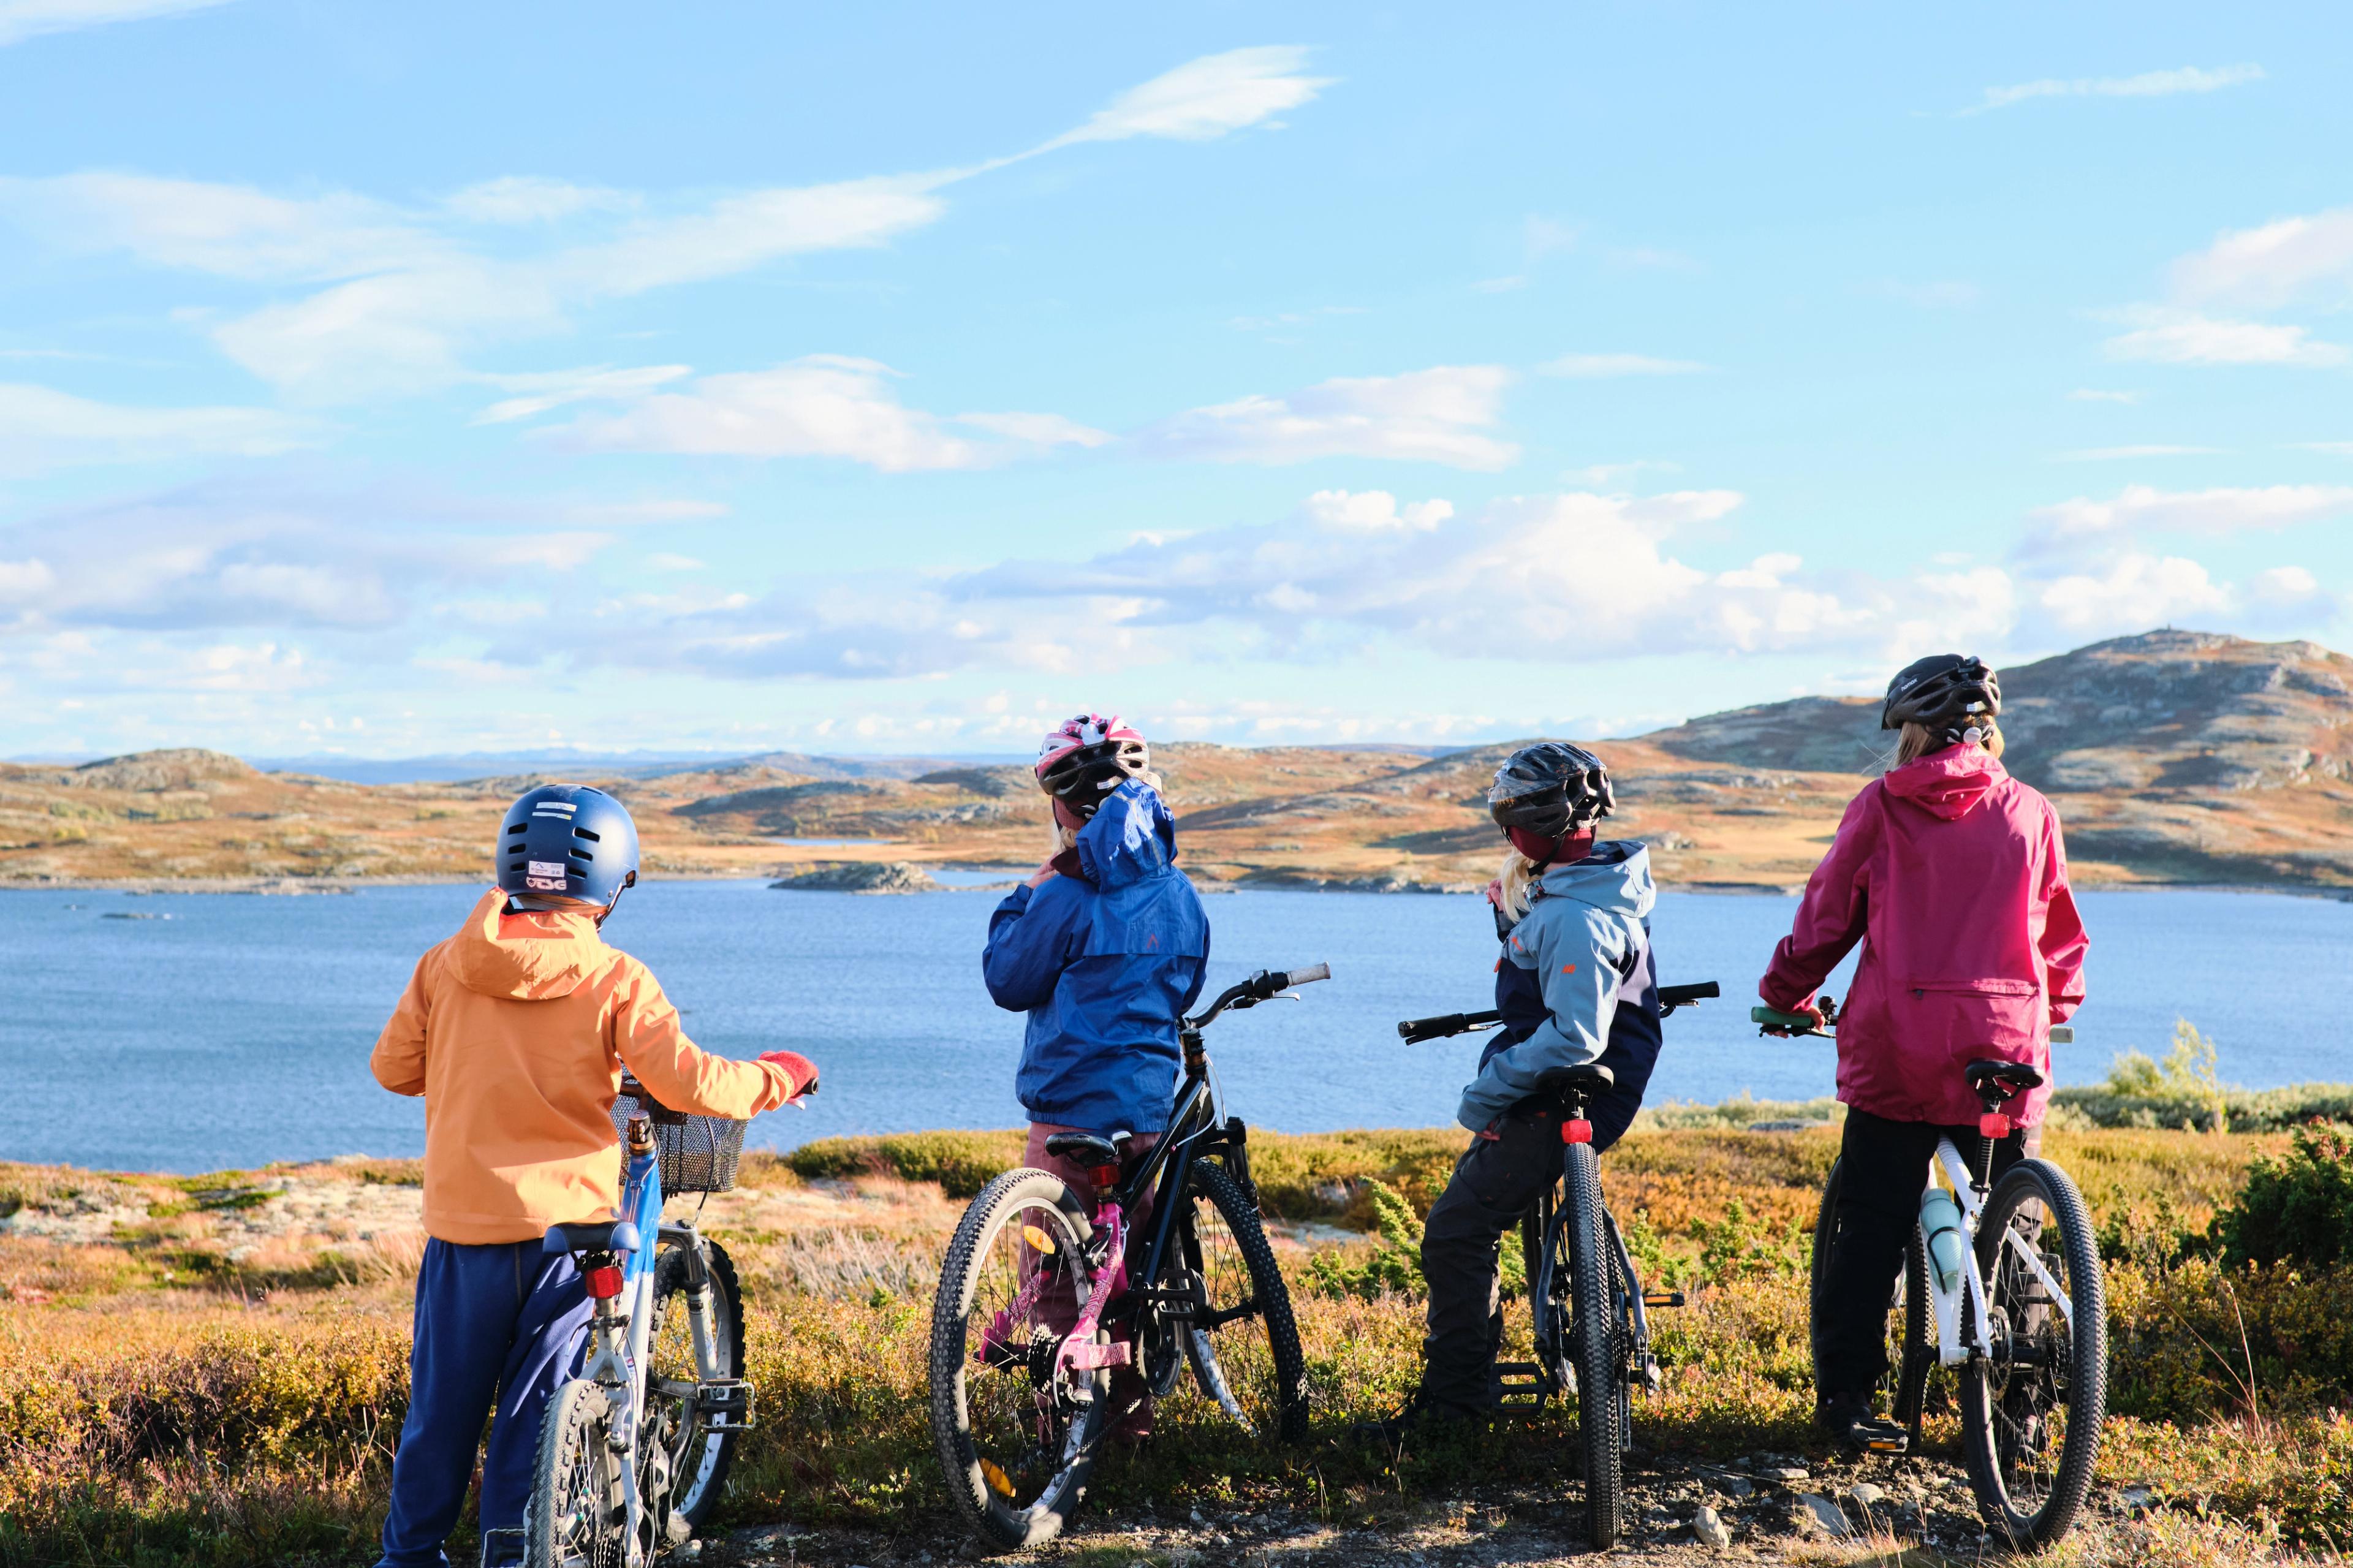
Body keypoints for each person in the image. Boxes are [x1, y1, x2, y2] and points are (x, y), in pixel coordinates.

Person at [368, 784, 818, 1568]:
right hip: (569, 1240)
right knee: (536, 1416)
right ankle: (513, 1555)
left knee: (440, 1413)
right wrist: (775, 1077)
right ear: (612, 882)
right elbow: (689, 1086)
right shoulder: (616, 978)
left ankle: (408, 1557)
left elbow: (393, 1069)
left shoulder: (445, 964)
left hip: (463, 1229)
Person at [1756, 654, 2086, 1451]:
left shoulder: (1881, 806)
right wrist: (2056, 1009)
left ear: (1912, 731)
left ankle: (1848, 1404)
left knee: (1869, 1224)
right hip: (2007, 1049)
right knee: (2017, 1235)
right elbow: (2062, 935)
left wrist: (1786, 994)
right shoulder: (2033, 811)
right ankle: (2024, 1420)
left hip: (1900, 1051)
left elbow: (1827, 917)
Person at [1370, 741, 1665, 1436]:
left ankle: (1456, 1404)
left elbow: (1573, 1036)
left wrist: (1487, 1093)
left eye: (1508, 825)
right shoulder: (1599, 886)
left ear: (1530, 829)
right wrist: (1515, 926)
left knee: (1455, 1232)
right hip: (1605, 1087)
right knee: (1486, 1212)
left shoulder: (1571, 914)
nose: (1506, 837)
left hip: (1569, 1091)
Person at [981, 714, 1209, 1433]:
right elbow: (1190, 985)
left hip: (1065, 1118)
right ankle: (1129, 1426)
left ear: (1063, 805)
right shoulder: (1180, 894)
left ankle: (1061, 1441)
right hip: (1145, 1116)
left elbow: (1008, 979)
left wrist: (1026, 893)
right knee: (1126, 1279)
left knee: (1056, 1286)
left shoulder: (1063, 891)